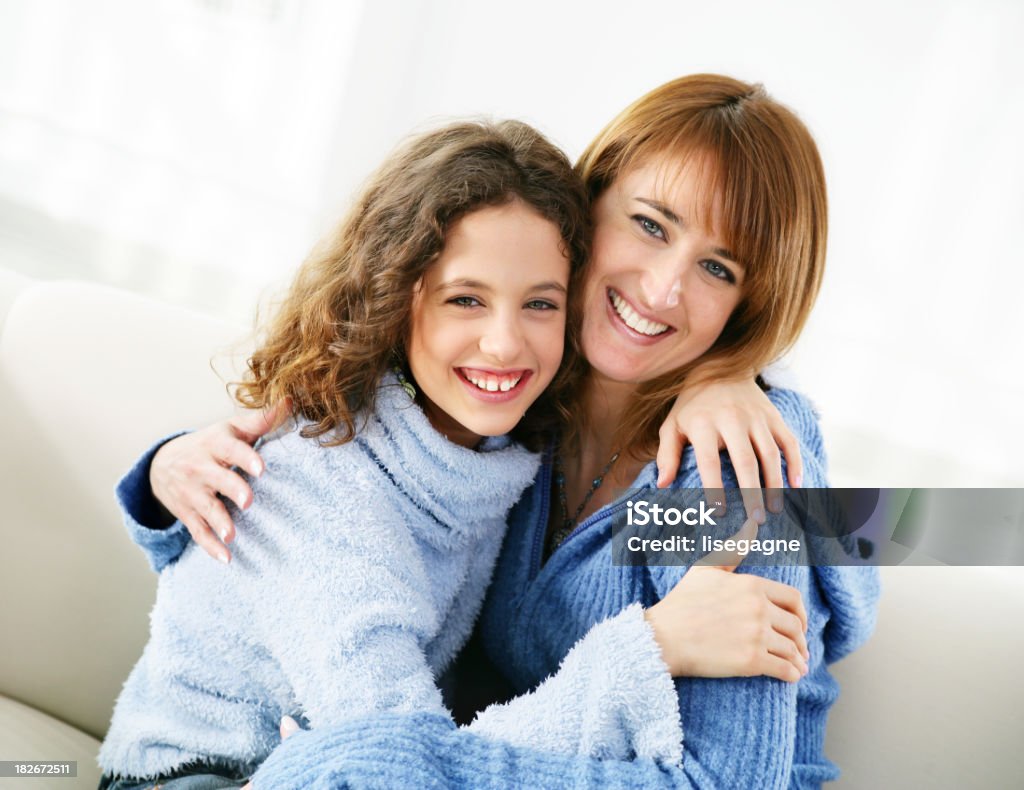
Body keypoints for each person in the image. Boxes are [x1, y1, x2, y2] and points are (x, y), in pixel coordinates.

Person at [115, 75, 879, 788]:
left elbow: (721, 778)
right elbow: (326, 503)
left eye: (719, 269)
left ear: (750, 305)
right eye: (649, 225)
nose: (663, 287)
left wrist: (362, 763)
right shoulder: (527, 418)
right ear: (586, 213)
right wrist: (163, 473)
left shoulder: (719, 466)